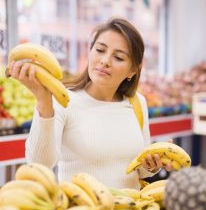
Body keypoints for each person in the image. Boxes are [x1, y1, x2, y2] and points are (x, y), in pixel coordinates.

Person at [8, 17, 172, 189]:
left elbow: (141, 170)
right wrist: (43, 101)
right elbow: (39, 165)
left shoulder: (138, 103)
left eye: (118, 57)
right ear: (90, 51)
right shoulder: (63, 101)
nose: (105, 61)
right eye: (100, 50)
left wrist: (152, 165)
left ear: (132, 70)